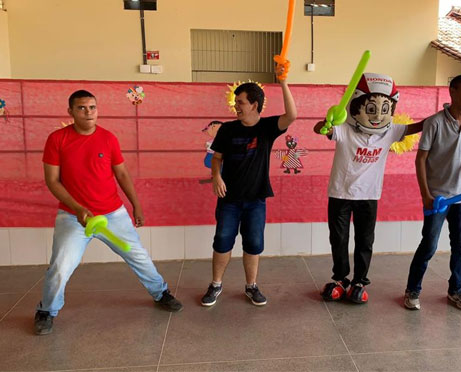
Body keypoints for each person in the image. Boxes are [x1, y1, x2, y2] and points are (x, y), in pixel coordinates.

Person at [34, 89, 182, 336]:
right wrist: (78, 208)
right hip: (73, 217)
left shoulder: (108, 138)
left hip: (113, 214)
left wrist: (136, 205)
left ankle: (161, 293)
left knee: (138, 255)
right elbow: (52, 181)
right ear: (70, 111)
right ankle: (46, 310)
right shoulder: (57, 139)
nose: (88, 112)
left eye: (92, 107)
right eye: (81, 108)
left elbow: (121, 174)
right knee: (60, 267)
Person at [315, 72, 424, 304]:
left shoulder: (390, 132)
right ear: (356, 106)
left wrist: (444, 115)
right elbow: (321, 129)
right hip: (340, 193)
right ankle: (340, 279)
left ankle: (359, 281)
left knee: (365, 240)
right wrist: (327, 123)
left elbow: (417, 127)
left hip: (369, 195)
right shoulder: (344, 129)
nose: (377, 116)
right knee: (339, 239)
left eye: (385, 109)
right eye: (371, 109)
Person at [200, 65, 297, 307]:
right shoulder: (227, 129)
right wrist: (216, 176)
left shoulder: (267, 128)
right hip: (229, 200)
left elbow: (292, 115)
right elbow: (217, 157)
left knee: (253, 244)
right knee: (222, 241)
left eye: (240, 102)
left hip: (256, 200)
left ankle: (251, 286)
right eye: (236, 102)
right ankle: (216, 284)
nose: (236, 106)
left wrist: (283, 82)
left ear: (254, 104)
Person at [404, 74, 461, 311]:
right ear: (452, 91)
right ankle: (412, 290)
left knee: (460, 246)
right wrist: (425, 195)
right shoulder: (434, 122)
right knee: (429, 245)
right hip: (437, 197)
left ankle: (456, 290)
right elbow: (420, 159)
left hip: (460, 196)